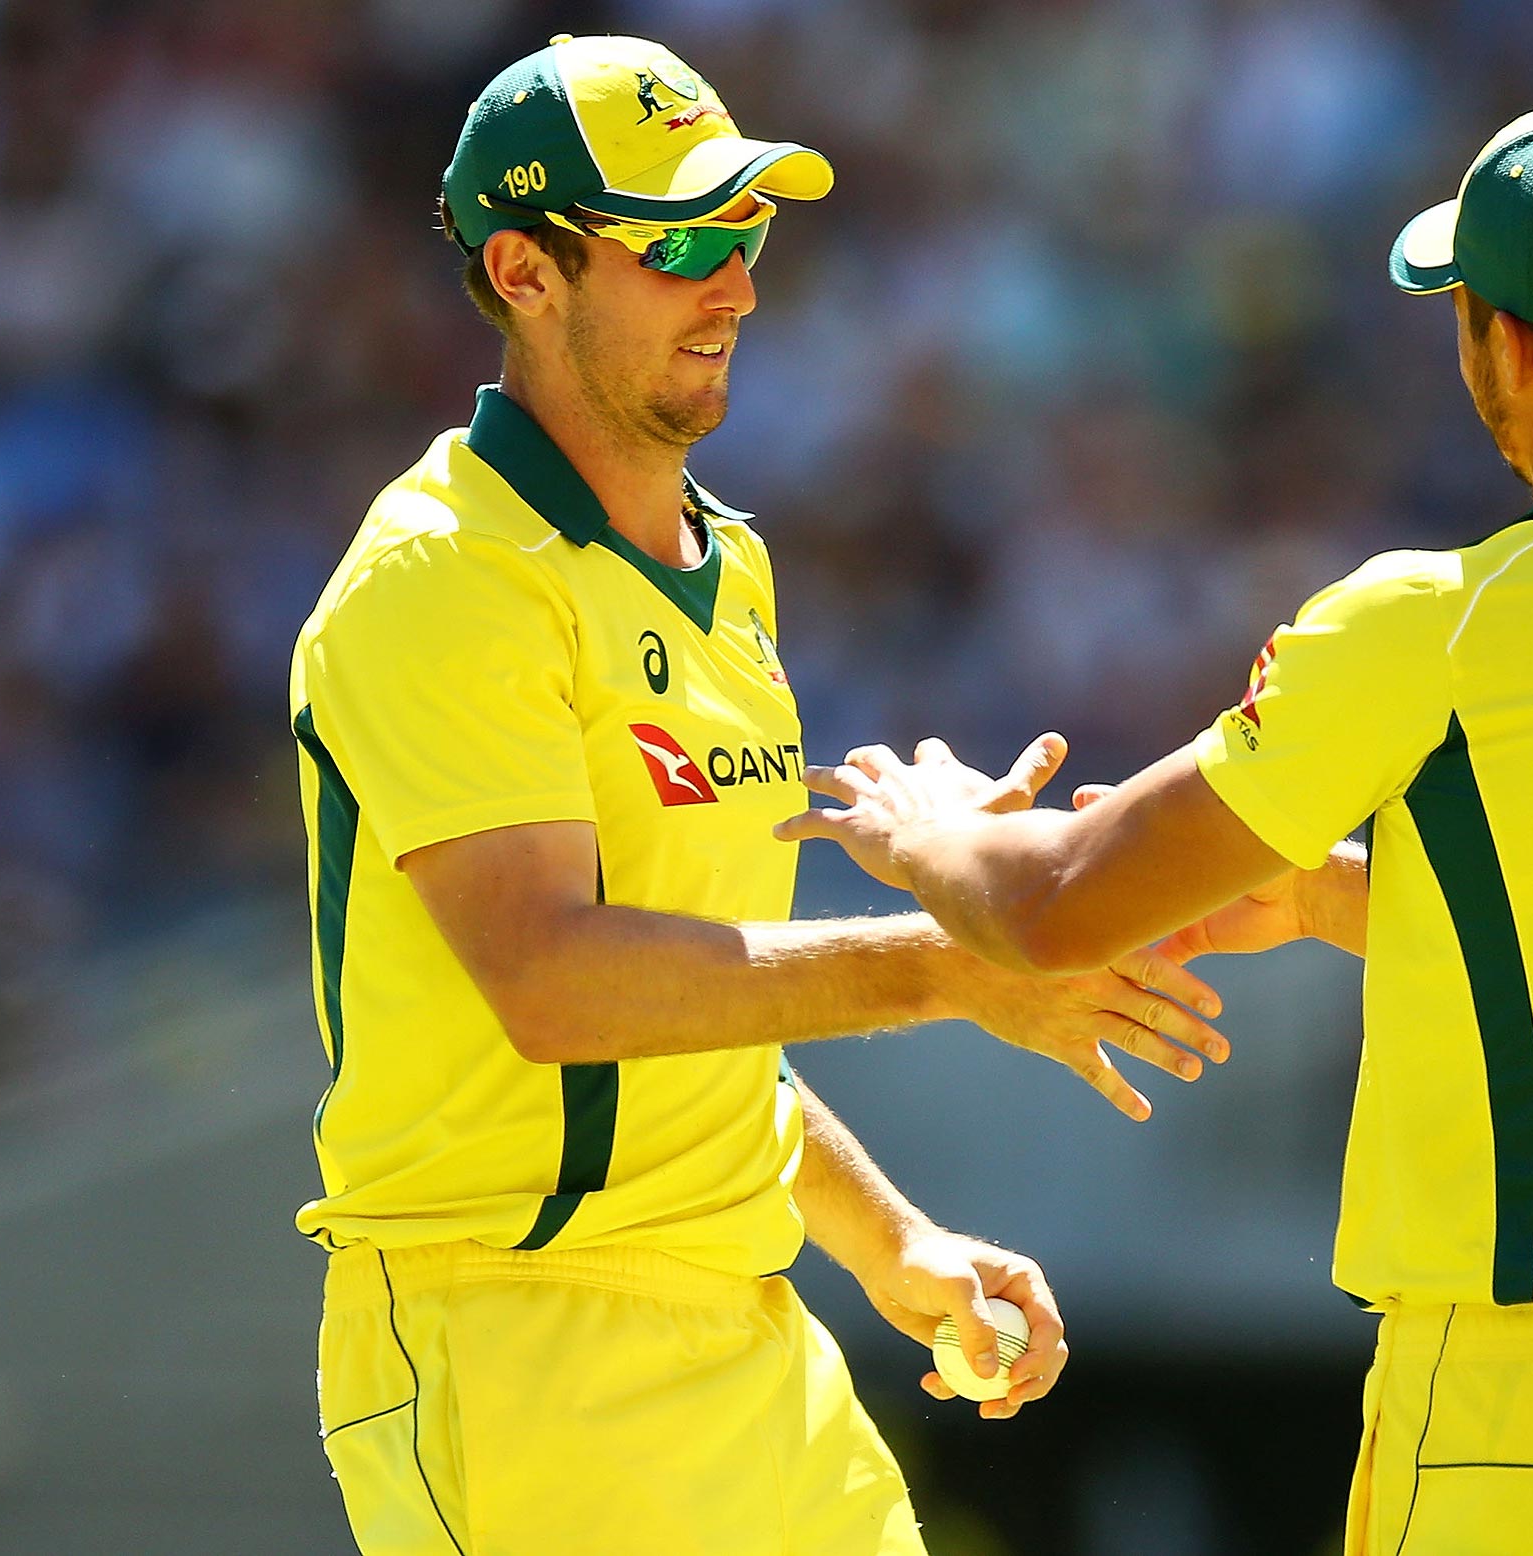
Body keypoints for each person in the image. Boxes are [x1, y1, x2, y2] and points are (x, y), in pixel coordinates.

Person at [782, 106, 1533, 1556]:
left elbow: (1056, 905)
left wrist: (926, 829)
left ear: (1508, 346)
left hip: (1531, 1426)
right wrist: (1346, 900)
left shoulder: (1447, 616)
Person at [287, 33, 1229, 1556]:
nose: (734, 285)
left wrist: (891, 1241)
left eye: (748, 234)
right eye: (680, 244)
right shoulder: (444, 577)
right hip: (521, 1339)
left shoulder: (727, 567)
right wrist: (959, 957)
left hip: (750, 1332)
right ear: (524, 271)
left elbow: (697, 1019)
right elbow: (558, 988)